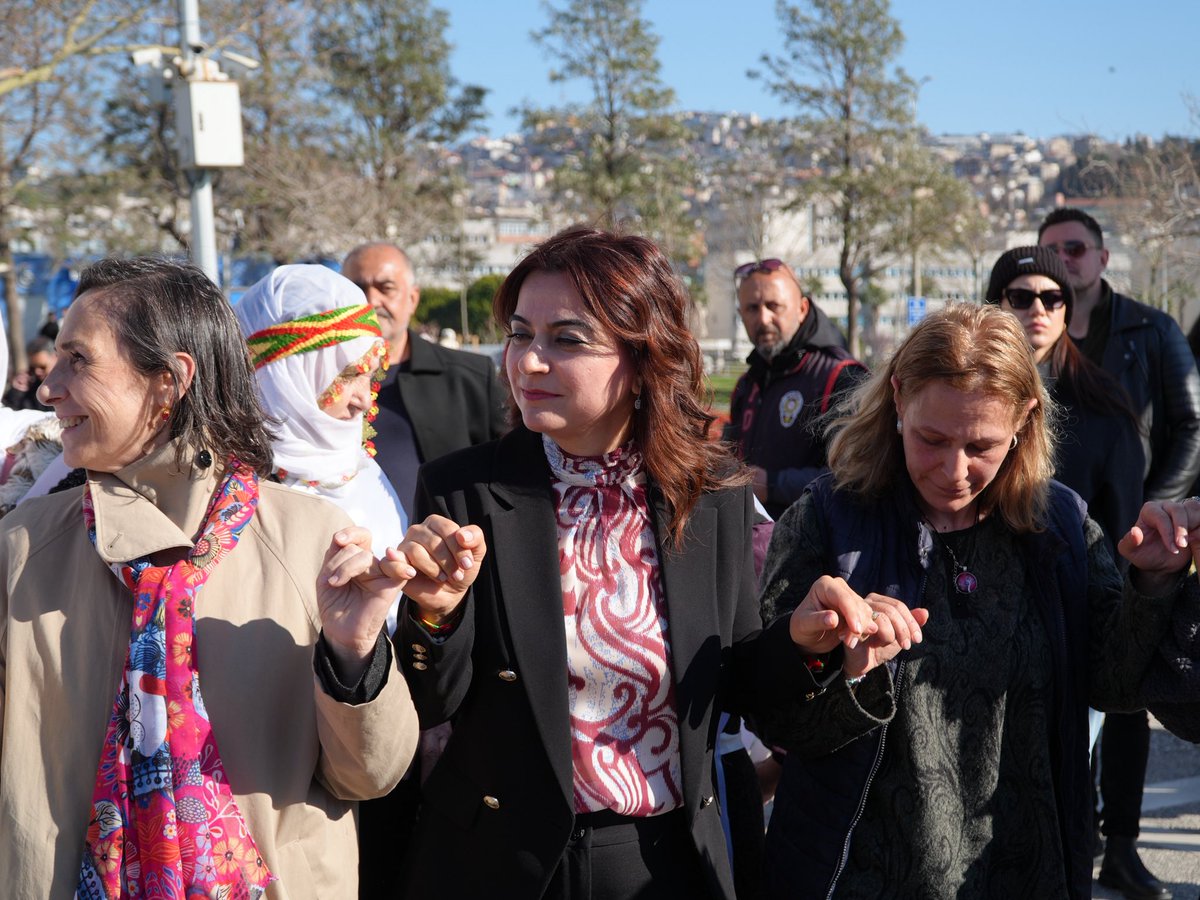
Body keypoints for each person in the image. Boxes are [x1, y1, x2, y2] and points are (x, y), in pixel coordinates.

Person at [383, 227, 921, 899]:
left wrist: (805, 642)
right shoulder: (463, 489)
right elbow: (434, 701)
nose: (528, 362)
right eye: (520, 335)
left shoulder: (709, 493)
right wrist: (432, 615)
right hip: (504, 861)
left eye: (566, 339)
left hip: (660, 861)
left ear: (642, 359)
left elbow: (733, 681)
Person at [0, 258, 418, 898]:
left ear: (169, 380)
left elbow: (370, 775)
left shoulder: (312, 538)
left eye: (78, 360)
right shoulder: (24, 549)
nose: (48, 386)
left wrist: (355, 657)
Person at [758, 304, 1193, 900]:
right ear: (898, 399)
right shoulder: (828, 520)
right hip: (866, 873)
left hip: (1028, 868)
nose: (953, 470)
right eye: (931, 439)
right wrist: (833, 668)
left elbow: (1112, 684)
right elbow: (774, 712)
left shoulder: (1059, 526)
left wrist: (1153, 586)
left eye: (981, 445)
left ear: (1024, 421)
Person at [1039, 207, 1200, 899]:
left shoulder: (1150, 329)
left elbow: (1191, 424)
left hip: (1132, 533)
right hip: (1060, 533)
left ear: (1102, 258)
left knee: (1130, 695)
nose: (1062, 262)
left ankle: (1125, 844)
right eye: (1049, 252)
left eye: (1074, 249)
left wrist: (1156, 508)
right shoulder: (1025, 332)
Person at [233, 263, 406, 558]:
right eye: (349, 374)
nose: (364, 400)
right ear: (285, 376)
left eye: (370, 375)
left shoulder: (361, 470)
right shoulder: (222, 501)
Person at [986, 246, 1143, 560]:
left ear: (1066, 310)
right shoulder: (967, 395)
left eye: (1052, 298)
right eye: (1021, 297)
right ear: (997, 305)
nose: (1038, 310)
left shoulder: (1103, 401)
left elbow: (1124, 522)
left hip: (1079, 581)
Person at [340, 242, 507, 515]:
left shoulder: (471, 378)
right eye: (357, 289)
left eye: (386, 288)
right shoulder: (317, 385)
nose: (371, 301)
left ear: (412, 299)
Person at [723, 258, 866, 519]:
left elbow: (859, 476)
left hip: (821, 551)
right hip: (754, 548)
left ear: (802, 309)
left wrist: (773, 485)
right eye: (752, 308)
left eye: (773, 306)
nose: (763, 318)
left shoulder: (842, 378)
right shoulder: (746, 386)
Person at [2, 335, 56, 411]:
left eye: (42, 367)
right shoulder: (30, 386)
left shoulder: (68, 384)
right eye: (33, 367)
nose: (37, 372)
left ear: (55, 358)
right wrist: (16, 392)